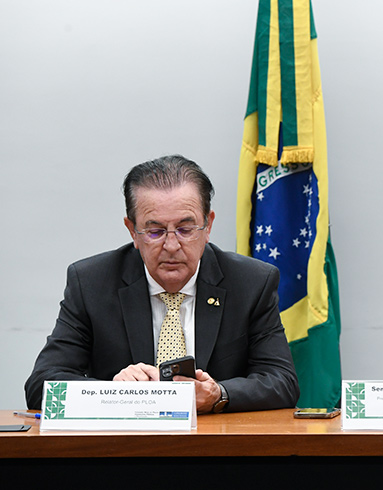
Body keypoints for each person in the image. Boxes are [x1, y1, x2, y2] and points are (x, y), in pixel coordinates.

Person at [25, 155, 299, 413]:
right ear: (133, 230)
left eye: (185, 229)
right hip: (124, 453)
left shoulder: (252, 283)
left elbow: (282, 381)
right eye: (155, 231)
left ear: (208, 226)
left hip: (218, 453)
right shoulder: (91, 282)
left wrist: (219, 394)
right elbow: (42, 385)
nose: (171, 245)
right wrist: (114, 393)